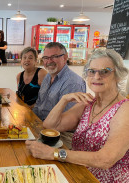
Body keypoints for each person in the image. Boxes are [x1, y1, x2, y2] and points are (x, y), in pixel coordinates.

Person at [26, 49, 129, 183]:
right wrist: (64, 100)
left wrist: (54, 154)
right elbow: (50, 125)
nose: (96, 77)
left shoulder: (125, 108)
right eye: (92, 71)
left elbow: (106, 159)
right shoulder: (88, 104)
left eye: (105, 71)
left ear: (119, 75)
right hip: (77, 173)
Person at [32, 42, 86, 149]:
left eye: (54, 57)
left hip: (61, 135)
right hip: (42, 126)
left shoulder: (73, 82)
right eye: (46, 58)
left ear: (65, 57)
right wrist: (31, 122)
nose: (49, 61)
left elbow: (64, 123)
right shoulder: (48, 76)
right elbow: (39, 105)